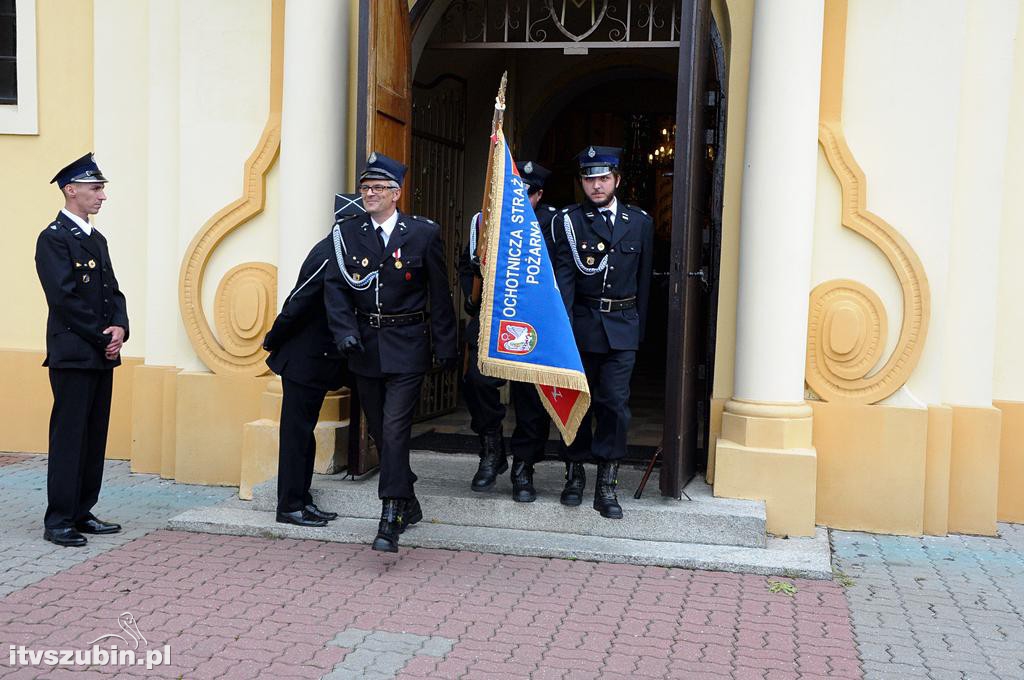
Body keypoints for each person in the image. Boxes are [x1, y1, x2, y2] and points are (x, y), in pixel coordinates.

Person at [324, 152, 458, 552]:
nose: (369, 194)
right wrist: (344, 331)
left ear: (396, 194)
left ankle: (390, 514)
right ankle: (410, 499)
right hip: (366, 345)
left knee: (396, 427)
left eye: (378, 188)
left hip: (408, 344)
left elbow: (440, 293)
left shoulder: (422, 234)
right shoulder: (348, 232)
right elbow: (336, 287)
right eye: (365, 188)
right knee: (381, 430)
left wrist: (445, 346)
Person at [553, 146, 654, 519]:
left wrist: (639, 331)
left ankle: (606, 482)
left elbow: (644, 282)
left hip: (622, 327)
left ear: (617, 180)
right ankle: (575, 472)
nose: (596, 185)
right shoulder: (569, 221)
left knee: (614, 404)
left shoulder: (639, 222)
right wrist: (563, 332)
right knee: (578, 402)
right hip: (582, 326)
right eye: (589, 179)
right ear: (581, 182)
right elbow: (564, 280)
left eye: (603, 178)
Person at [34, 153, 129, 547]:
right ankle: (58, 520)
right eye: (95, 188)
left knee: (94, 436)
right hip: (74, 354)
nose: (102, 196)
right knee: (70, 436)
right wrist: (102, 336)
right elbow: (64, 298)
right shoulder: (54, 238)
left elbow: (113, 291)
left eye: (101, 188)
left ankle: (81, 510)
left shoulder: (96, 239)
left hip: (100, 352)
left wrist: (121, 327)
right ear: (71, 190)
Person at [460, 161, 558, 502]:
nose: (518, 200)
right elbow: (466, 266)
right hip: (492, 320)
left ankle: (524, 467)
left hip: (536, 325)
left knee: (531, 399)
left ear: (539, 195)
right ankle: (491, 450)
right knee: (477, 382)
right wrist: (471, 292)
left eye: (526, 194)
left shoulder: (554, 223)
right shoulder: (482, 221)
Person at [263, 229, 350, 528]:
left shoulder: (342, 252)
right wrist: (272, 339)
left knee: (305, 434)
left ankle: (302, 498)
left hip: (316, 361)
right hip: (302, 359)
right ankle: (288, 505)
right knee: (296, 435)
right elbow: (298, 302)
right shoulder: (328, 254)